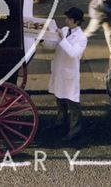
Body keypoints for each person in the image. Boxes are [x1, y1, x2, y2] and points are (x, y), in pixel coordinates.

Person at [47, 7, 88, 141]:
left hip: (69, 73)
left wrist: (62, 39)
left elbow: (73, 53)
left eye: (68, 19)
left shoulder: (82, 38)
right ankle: (60, 122)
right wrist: (44, 40)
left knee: (72, 102)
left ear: (75, 21)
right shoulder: (64, 30)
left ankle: (75, 131)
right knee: (59, 98)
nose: (66, 20)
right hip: (59, 70)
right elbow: (52, 46)